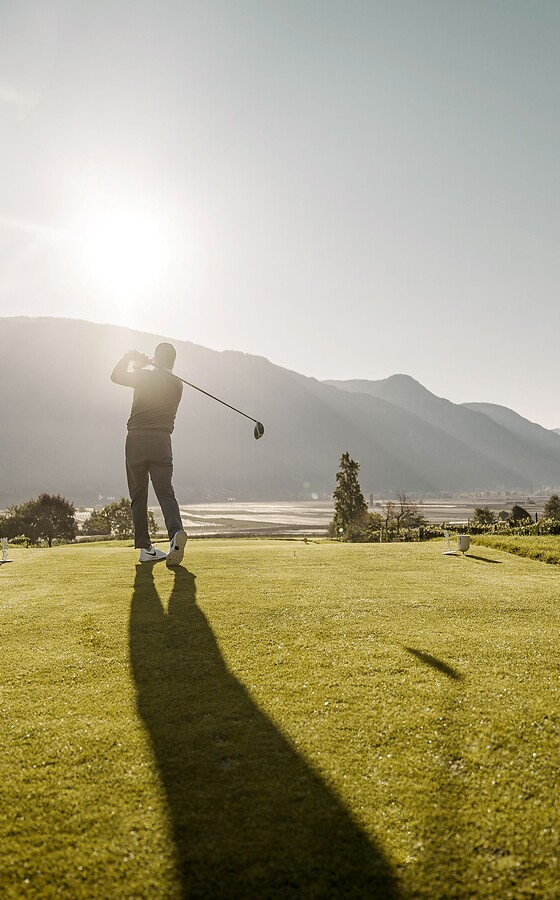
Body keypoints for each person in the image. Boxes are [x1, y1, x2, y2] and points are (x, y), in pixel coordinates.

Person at [111, 342, 187, 566]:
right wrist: (146, 365)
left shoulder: (144, 376)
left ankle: (145, 548)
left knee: (138, 495)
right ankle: (175, 534)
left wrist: (131, 359)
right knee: (165, 492)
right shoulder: (178, 384)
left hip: (135, 440)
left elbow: (116, 376)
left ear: (156, 358)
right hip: (162, 441)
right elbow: (159, 379)